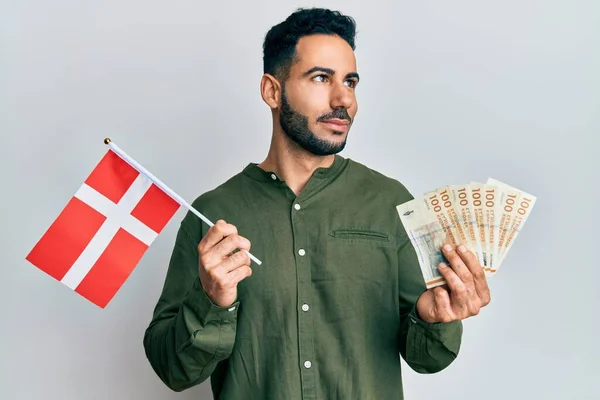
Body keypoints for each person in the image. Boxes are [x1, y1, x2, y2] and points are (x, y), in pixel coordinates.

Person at [143, 7, 491, 399]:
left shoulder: (391, 201)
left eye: (351, 82)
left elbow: (429, 359)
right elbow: (171, 369)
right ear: (272, 91)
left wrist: (434, 318)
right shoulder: (212, 216)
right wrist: (210, 301)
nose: (344, 99)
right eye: (321, 78)